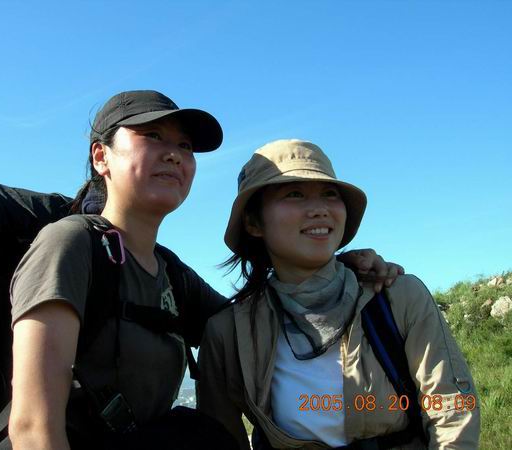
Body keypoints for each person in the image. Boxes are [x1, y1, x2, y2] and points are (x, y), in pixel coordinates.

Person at [8, 92, 402, 449]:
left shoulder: (172, 274)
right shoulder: (71, 244)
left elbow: (256, 322)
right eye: (153, 136)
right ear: (101, 157)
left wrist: (336, 266)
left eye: (184, 145)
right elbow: (32, 428)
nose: (174, 154)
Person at [197, 139, 480, 449]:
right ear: (253, 223)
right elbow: (219, 437)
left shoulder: (397, 296)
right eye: (294, 194)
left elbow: (452, 409)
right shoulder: (230, 332)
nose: (319, 209)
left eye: (329, 194)